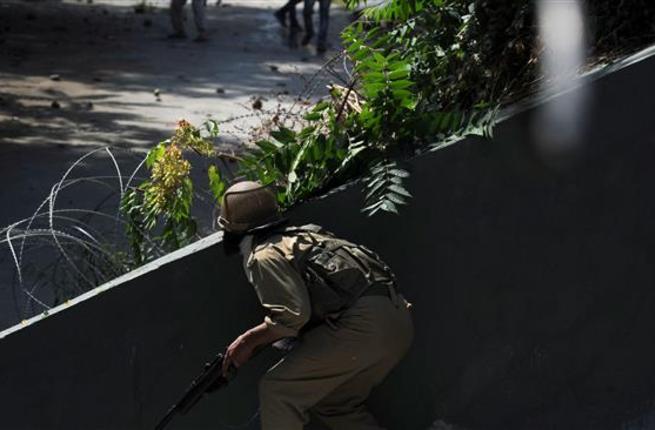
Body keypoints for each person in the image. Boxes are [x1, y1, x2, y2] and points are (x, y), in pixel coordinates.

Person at [218, 181, 414, 429]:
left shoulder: (265, 254)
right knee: (334, 403)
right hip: (397, 319)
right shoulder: (308, 235)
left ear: (233, 229)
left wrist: (248, 341)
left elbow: (292, 315)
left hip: (363, 327)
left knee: (278, 390)